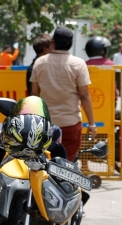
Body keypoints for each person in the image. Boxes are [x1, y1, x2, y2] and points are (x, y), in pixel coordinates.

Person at [30, 26, 97, 161]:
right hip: (71, 124)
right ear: (71, 43)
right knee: (67, 165)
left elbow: (34, 94)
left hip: (45, 124)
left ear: (53, 42)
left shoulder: (40, 62)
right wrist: (92, 123)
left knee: (45, 163)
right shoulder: (78, 64)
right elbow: (84, 95)